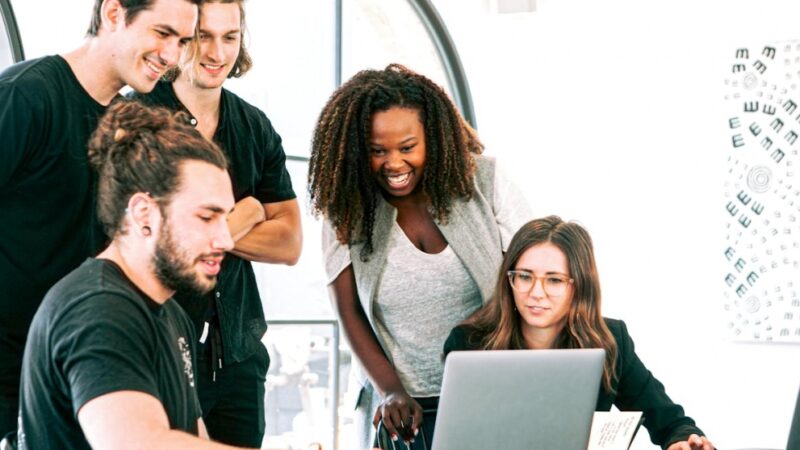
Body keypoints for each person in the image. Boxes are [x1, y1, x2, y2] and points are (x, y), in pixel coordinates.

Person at [0, 0, 200, 439]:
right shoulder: (25, 95)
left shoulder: (128, 125)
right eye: (162, 33)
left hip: (83, 375)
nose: (171, 56)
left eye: (183, 41)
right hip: (10, 381)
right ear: (113, 13)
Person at [309, 64, 532, 448]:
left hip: (488, 390)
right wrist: (391, 391)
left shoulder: (486, 181)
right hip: (399, 407)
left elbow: (530, 281)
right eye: (378, 151)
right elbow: (348, 311)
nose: (394, 164)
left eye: (408, 147)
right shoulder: (345, 205)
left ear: (434, 138)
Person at [17, 100, 262, 450]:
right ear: (144, 213)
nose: (225, 239)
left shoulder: (172, 315)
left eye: (226, 218)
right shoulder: (98, 310)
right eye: (208, 217)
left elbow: (193, 439)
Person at [131, 1, 301, 445]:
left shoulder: (254, 126)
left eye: (230, 37)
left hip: (239, 357)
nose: (217, 52)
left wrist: (204, 229)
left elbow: (289, 243)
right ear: (181, 38)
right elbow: (148, 237)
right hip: (159, 352)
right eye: (203, 36)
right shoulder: (136, 120)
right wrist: (246, 212)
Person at [443, 216, 715, 450]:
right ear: (509, 280)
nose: (536, 293)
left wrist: (680, 440)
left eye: (554, 280)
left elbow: (670, 421)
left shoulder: (610, 340)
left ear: (579, 286)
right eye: (524, 276)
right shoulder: (469, 344)